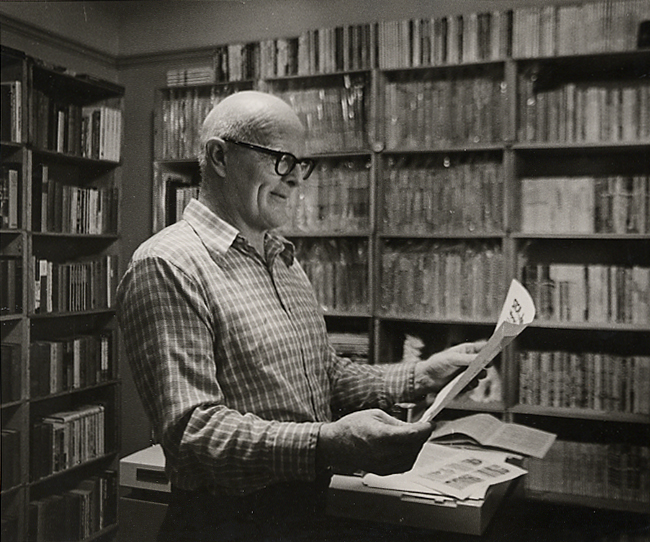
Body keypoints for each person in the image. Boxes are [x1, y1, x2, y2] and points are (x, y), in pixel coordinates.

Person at [116, 90, 486, 542]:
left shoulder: (282, 257)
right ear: (218, 156)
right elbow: (193, 435)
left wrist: (422, 375)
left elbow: (322, 376)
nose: (295, 181)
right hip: (226, 524)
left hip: (302, 512)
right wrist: (324, 443)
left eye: (300, 165)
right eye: (280, 160)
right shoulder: (168, 264)